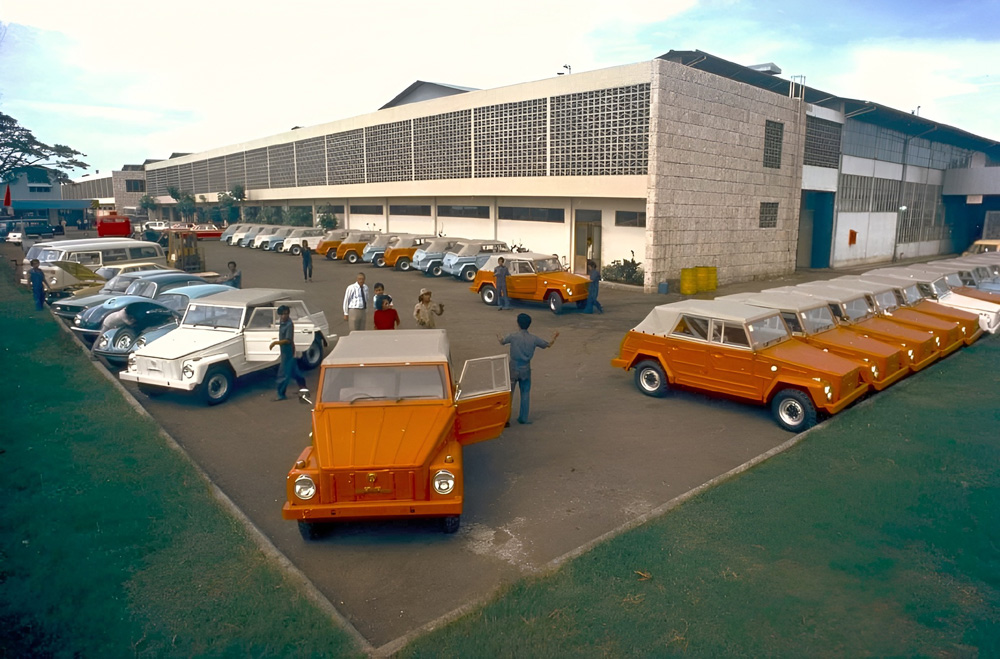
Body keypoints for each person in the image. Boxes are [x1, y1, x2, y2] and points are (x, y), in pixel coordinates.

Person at [498, 313, 558, 425]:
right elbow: (547, 344)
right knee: (525, 392)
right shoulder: (533, 339)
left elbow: (502, 341)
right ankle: (523, 418)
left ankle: (506, 419)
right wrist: (554, 337)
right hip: (525, 368)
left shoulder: (513, 336)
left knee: (509, 394)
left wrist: (498, 335)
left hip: (513, 367)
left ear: (518, 323)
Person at [269, 305, 307, 401]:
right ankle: (303, 388)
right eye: (282, 314)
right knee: (295, 371)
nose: (284, 316)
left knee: (283, 373)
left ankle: (281, 394)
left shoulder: (289, 324)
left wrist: (276, 343)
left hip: (288, 352)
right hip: (286, 351)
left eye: (286, 314)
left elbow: (288, 340)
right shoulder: (282, 322)